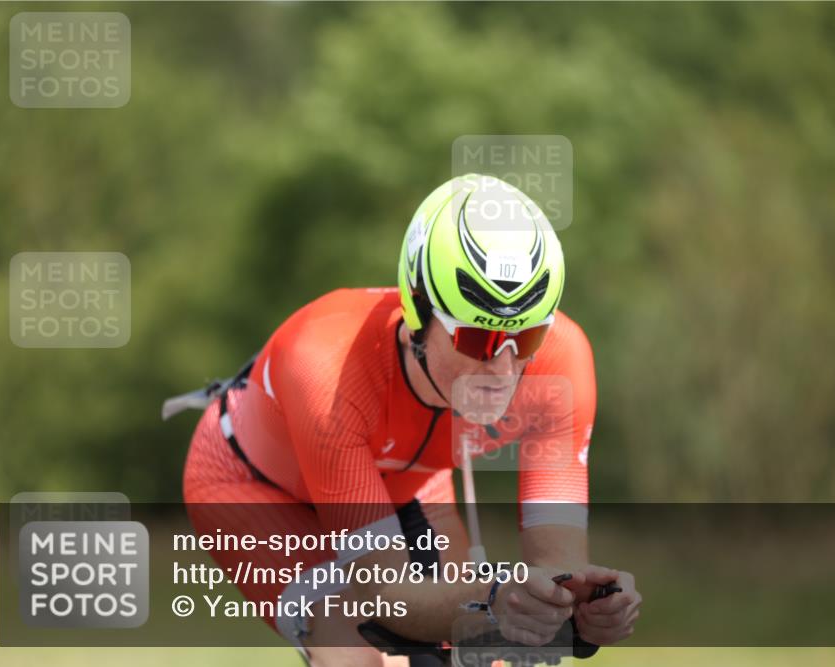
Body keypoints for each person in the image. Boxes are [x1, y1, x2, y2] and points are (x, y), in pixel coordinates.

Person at [177, 174, 640, 666]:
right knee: (361, 655)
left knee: (483, 657)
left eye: (524, 339)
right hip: (253, 485)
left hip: (405, 480)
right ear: (418, 311)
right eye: (477, 340)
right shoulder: (327, 372)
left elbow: (556, 569)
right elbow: (389, 600)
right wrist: (493, 601)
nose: (503, 370)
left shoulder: (562, 361)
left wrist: (580, 609)